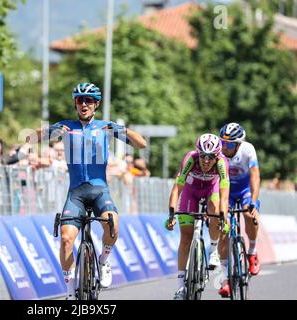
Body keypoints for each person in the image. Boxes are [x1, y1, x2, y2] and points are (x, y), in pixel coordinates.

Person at [28, 82, 147, 300]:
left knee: (112, 225)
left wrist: (120, 130)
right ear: (75, 102)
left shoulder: (104, 126)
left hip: (100, 189)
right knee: (66, 240)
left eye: (89, 100)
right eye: (80, 100)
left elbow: (141, 144)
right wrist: (49, 131)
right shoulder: (66, 126)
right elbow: (29, 138)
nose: (84, 104)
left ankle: (103, 261)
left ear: (96, 104)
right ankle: (70, 290)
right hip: (76, 193)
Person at [166, 133, 229, 300]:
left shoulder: (222, 163)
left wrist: (223, 216)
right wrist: (171, 213)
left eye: (210, 157)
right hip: (190, 191)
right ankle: (180, 288)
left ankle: (213, 250)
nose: (206, 161)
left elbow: (224, 192)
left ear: (217, 156)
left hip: (211, 191)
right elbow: (178, 186)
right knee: (185, 238)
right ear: (197, 153)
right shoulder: (190, 158)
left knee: (215, 209)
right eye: (203, 156)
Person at [218, 122, 261, 297]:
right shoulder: (218, 152)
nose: (224, 147)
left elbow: (255, 175)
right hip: (226, 190)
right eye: (222, 143)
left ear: (238, 144)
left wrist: (253, 201)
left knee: (248, 214)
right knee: (223, 229)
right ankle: (225, 279)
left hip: (244, 190)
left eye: (228, 144)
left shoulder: (248, 150)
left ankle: (252, 252)